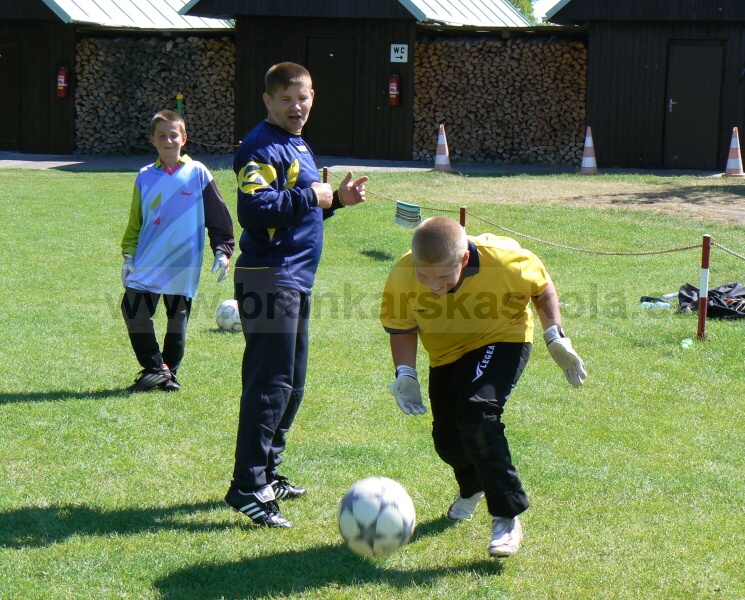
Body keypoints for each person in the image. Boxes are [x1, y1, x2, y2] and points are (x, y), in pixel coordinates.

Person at [380, 216, 587, 557]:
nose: (433, 285)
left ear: (463, 260)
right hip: (446, 354)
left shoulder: (502, 259)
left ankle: (507, 514)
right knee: (447, 441)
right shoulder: (403, 273)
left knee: (477, 411)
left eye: (443, 276)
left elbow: (541, 286)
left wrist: (554, 335)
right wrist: (406, 373)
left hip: (502, 335)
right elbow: (402, 325)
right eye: (424, 275)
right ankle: (474, 485)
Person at [225, 62, 368, 528]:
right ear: (268, 101)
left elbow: (294, 212)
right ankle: (247, 486)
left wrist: (336, 203)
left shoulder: (298, 144)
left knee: (292, 383)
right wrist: (315, 198)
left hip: (292, 278)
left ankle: (267, 470)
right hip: (269, 278)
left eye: (303, 97)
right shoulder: (260, 145)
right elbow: (254, 208)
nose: (296, 106)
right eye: (286, 98)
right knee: (269, 385)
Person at [121, 110, 235, 393]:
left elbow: (219, 216)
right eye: (162, 135)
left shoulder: (198, 173)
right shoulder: (145, 177)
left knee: (176, 318)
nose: (168, 140)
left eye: (174, 135)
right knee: (132, 309)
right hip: (148, 259)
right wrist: (128, 254)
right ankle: (158, 369)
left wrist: (223, 251)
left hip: (184, 262)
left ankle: (168, 372)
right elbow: (136, 219)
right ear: (153, 140)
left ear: (184, 138)